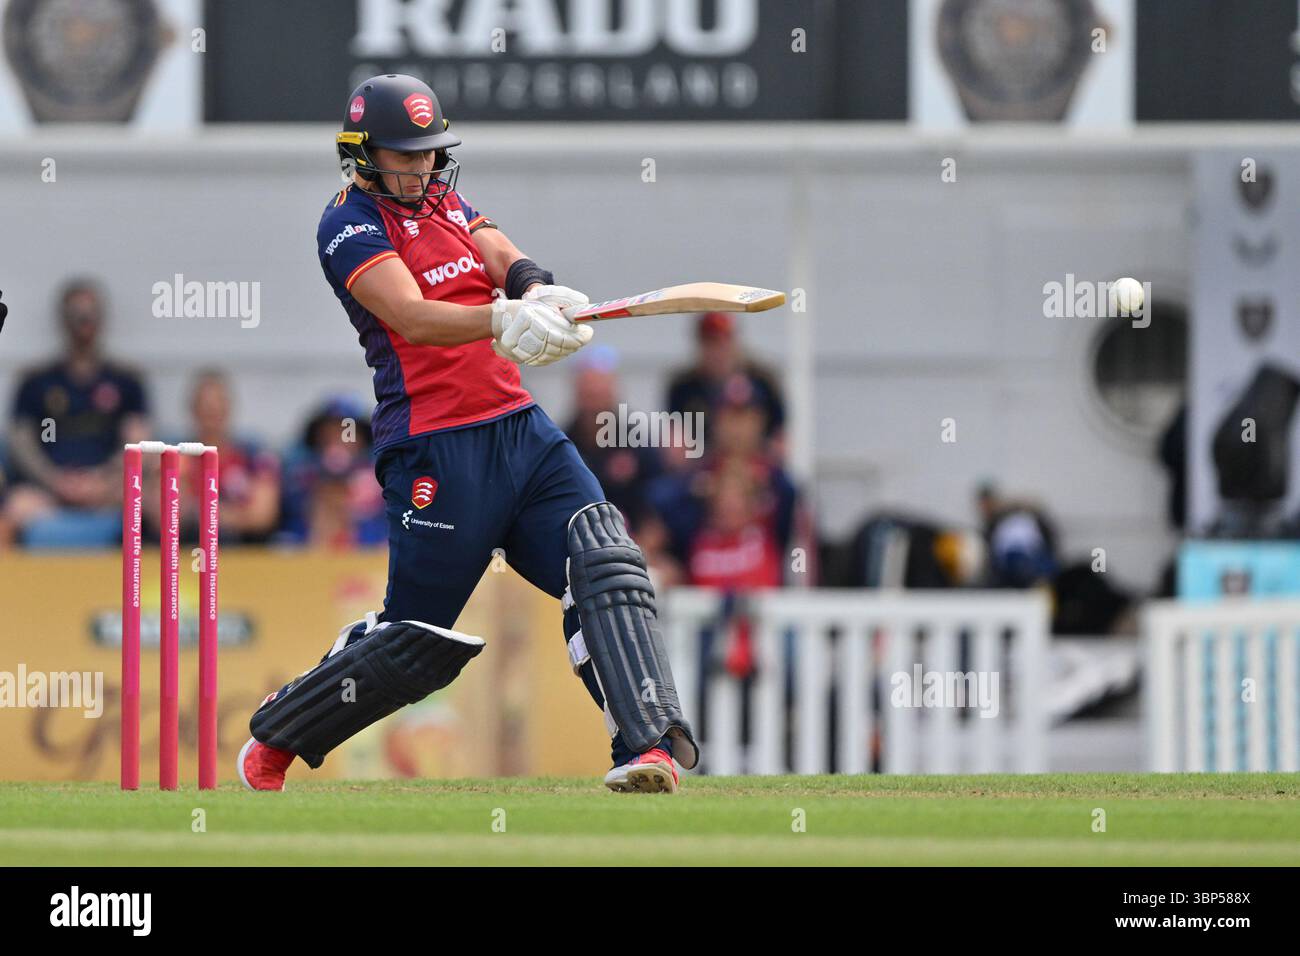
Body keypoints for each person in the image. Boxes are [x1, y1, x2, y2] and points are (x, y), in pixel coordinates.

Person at [237, 75, 698, 793]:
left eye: (431, 154)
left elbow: (489, 242)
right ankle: (281, 732)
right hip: (435, 448)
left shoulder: (438, 197)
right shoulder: (347, 224)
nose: (421, 168)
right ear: (362, 154)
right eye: (405, 155)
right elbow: (413, 315)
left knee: (605, 561)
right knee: (412, 648)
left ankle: (649, 749)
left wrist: (533, 285)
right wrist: (500, 320)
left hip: (522, 434)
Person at [4, 278, 149, 547]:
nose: (84, 321)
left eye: (90, 314)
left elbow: (138, 443)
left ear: (102, 318)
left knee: (151, 502)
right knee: (15, 508)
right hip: (48, 493)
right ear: (63, 319)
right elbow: (21, 445)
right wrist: (55, 481)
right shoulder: (36, 382)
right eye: (76, 314)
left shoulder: (126, 381)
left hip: (108, 491)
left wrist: (102, 481)